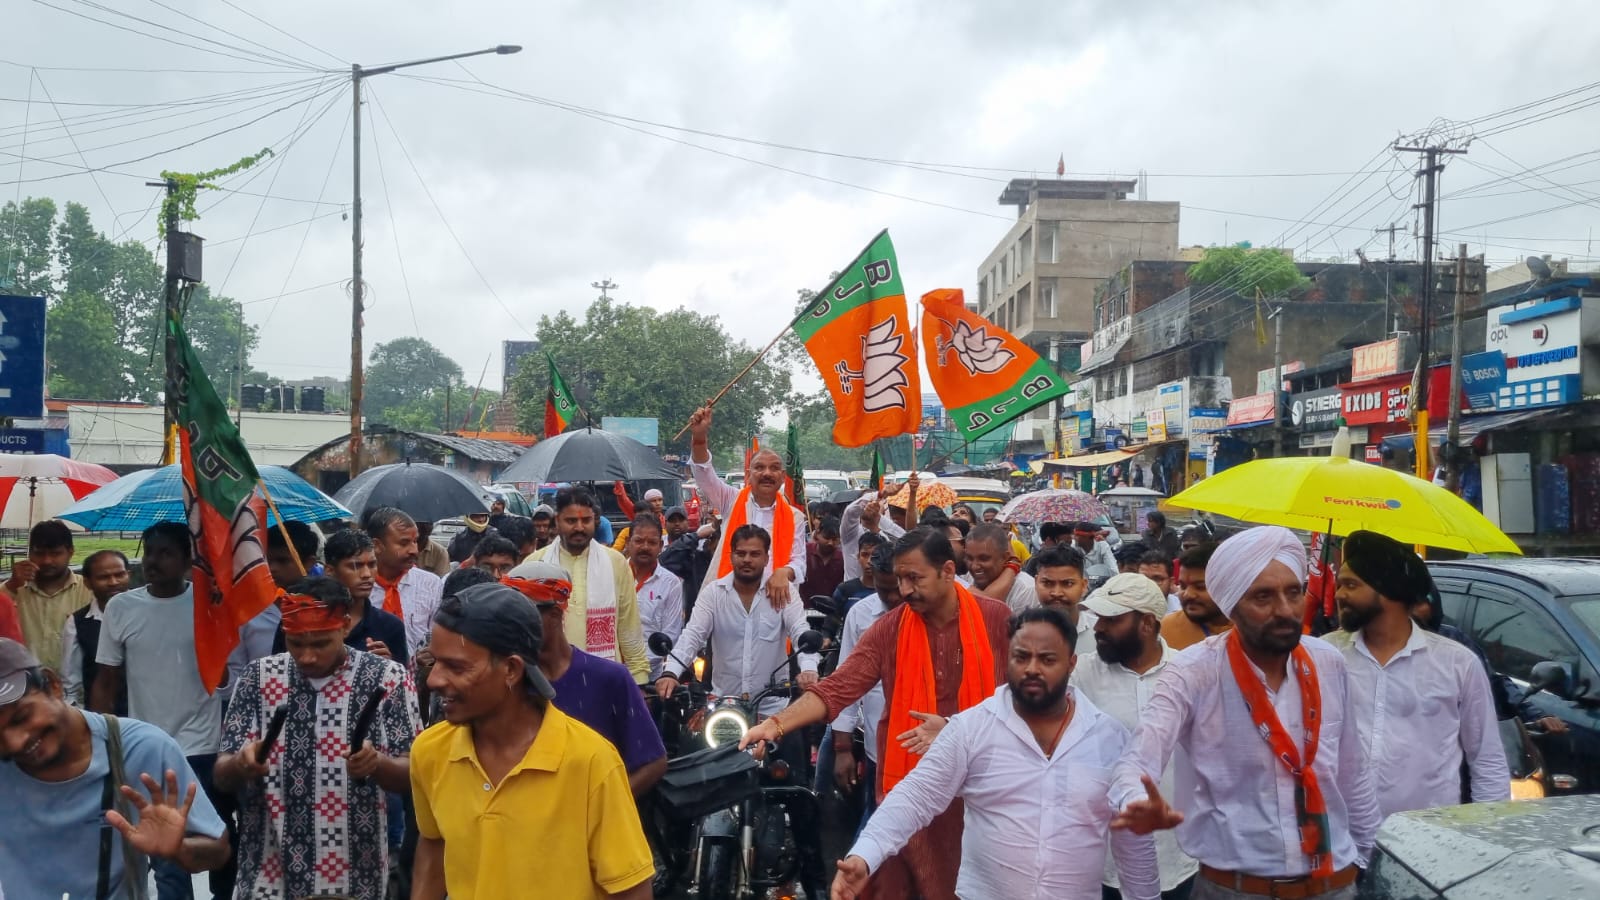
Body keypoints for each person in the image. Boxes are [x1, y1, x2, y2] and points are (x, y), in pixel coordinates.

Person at [1110, 526, 1381, 900]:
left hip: (1336, 885)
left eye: (1293, 592)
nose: (1285, 611)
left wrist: (1369, 868)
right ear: (1231, 605)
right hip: (1234, 889)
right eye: (1263, 597)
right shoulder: (1194, 671)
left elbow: (1352, 775)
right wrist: (1135, 800)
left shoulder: (1328, 662)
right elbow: (1136, 763)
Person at [741, 527, 1013, 900]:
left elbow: (1019, 701)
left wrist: (954, 729)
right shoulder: (889, 629)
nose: (904, 591)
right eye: (900, 579)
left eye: (914, 578)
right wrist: (776, 724)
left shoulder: (997, 621)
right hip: (906, 791)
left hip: (980, 795)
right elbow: (839, 687)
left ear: (948, 571)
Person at [832, 607, 1160, 900]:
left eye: (1047, 659)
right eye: (1021, 657)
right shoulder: (973, 728)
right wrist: (864, 856)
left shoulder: (1108, 737)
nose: (1032, 669)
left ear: (1071, 663)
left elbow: (1132, 840)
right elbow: (915, 797)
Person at [410, 583, 654, 899]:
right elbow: (434, 844)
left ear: (511, 669)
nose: (434, 680)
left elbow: (630, 889)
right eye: (436, 662)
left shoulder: (591, 761)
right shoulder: (430, 751)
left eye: (456, 666)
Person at [216, 577, 421, 900]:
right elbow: (222, 774)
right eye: (296, 643)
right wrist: (241, 764)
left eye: (320, 643)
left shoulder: (388, 678)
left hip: (356, 877)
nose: (307, 656)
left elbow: (414, 773)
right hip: (266, 875)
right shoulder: (257, 677)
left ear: (345, 626)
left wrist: (377, 765)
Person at [0, 638, 231, 898]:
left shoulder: (140, 749)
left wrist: (179, 849)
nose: (14, 742)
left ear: (53, 686)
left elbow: (218, 850)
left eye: (22, 717)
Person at [90, 521, 235, 900]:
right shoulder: (121, 607)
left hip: (202, 745)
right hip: (147, 747)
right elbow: (106, 680)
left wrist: (217, 615)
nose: (153, 561)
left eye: (166, 553)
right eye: (149, 551)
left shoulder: (208, 604)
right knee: (166, 853)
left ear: (189, 560)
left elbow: (222, 678)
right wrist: (100, 740)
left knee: (214, 842)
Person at [1323, 531, 1509, 817]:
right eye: (1340, 585)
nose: (1339, 595)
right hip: (1339, 842)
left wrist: (1487, 830)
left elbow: (1487, 760)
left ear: (1388, 591)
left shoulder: (1457, 663)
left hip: (1428, 844)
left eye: (1350, 585)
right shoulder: (1324, 656)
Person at [1073, 574, 1199, 899]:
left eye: (1111, 619)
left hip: (1183, 855)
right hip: (1104, 857)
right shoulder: (1082, 674)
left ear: (1146, 624)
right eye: (1098, 618)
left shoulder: (1190, 674)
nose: (1098, 627)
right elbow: (1026, 708)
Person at [508, 561, 668, 797]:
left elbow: (653, 762)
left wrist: (599, 808)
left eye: (521, 615)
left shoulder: (609, 678)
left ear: (553, 614)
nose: (513, 625)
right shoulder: (507, 681)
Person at [655, 525, 821, 713]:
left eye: (755, 554)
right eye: (741, 553)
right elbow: (692, 635)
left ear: (767, 558)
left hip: (774, 708)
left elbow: (800, 631)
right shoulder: (714, 593)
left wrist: (808, 669)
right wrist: (671, 672)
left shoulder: (784, 592)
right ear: (731, 556)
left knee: (800, 739)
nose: (747, 560)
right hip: (723, 708)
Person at [687, 405, 808, 605]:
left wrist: (785, 572)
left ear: (783, 477)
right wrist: (699, 438)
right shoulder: (731, 501)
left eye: (774, 468)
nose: (767, 473)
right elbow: (703, 474)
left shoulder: (795, 517)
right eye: (759, 467)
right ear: (749, 474)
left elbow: (799, 561)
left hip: (773, 606)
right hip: (727, 603)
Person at [526, 487, 650, 683]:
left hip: (603, 682)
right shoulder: (534, 565)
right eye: (571, 521)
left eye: (586, 520)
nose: (579, 528)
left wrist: (640, 682)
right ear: (557, 521)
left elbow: (629, 627)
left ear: (595, 521)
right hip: (549, 681)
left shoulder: (616, 563)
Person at [825, 542, 904, 832]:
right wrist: (842, 748)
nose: (894, 597)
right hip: (875, 749)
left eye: (899, 588)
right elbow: (845, 682)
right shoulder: (861, 615)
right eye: (885, 590)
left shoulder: (928, 611)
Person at [283, 529, 411, 666]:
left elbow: (403, 680)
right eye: (355, 566)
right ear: (330, 571)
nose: (367, 574)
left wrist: (387, 666)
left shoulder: (390, 626)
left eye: (372, 565)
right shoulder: (298, 616)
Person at [3, 519, 95, 672]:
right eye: (39, 553)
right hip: (26, 687)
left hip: (75, 689)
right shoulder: (13, 589)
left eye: (55, 553)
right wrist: (12, 585)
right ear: (29, 552)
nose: (47, 560)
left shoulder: (89, 590)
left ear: (70, 552)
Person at [367, 507, 445, 661]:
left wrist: (428, 658)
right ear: (377, 545)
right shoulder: (360, 587)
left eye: (415, 541)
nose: (414, 550)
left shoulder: (431, 584)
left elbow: (438, 640)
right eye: (404, 543)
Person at [60, 548, 131, 709]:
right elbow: (71, 684)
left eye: (119, 575)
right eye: (103, 577)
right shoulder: (77, 622)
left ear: (129, 575)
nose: (113, 582)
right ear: (87, 582)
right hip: (104, 717)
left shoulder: (146, 612)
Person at [627, 514, 684, 681]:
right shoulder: (612, 575)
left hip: (651, 677)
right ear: (628, 543)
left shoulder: (671, 583)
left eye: (652, 542)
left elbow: (670, 634)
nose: (645, 547)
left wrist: (639, 667)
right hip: (614, 672)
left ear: (660, 546)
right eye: (638, 541)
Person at [1161, 543, 1231, 651]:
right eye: (1183, 586)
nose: (1187, 594)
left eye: (1200, 587)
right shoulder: (1164, 629)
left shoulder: (1252, 630)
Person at [1033, 543, 1098, 656]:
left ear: (1083, 586)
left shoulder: (1100, 634)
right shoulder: (1020, 633)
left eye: (1068, 583)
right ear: (1036, 583)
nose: (1057, 593)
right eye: (1047, 583)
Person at [966, 523, 1038, 613]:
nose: (974, 566)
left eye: (984, 559)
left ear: (1005, 557)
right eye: (969, 558)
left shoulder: (1025, 589)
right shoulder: (967, 577)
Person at [841, 484, 906, 582]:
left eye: (875, 502)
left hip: (881, 592)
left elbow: (905, 544)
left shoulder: (887, 526)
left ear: (884, 506)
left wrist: (875, 527)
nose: (871, 505)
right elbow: (850, 511)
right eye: (867, 502)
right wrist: (879, 495)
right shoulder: (850, 533)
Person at [832, 531, 886, 614]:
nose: (869, 561)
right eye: (865, 555)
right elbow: (833, 621)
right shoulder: (845, 590)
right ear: (858, 557)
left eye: (875, 555)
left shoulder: (891, 591)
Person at [800, 515, 846, 604]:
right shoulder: (803, 552)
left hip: (832, 611)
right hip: (804, 609)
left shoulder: (842, 559)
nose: (830, 543)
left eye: (835, 539)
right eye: (827, 538)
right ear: (817, 534)